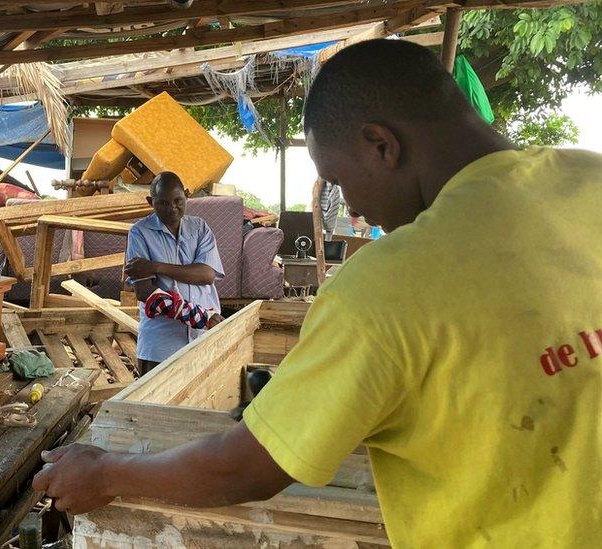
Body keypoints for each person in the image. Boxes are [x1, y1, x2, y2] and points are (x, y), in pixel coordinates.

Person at [32, 39, 602, 547]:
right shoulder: (591, 179)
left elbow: (248, 467)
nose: (350, 207)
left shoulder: (389, 284)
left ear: (382, 144)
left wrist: (105, 472)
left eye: (342, 180)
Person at [123, 171, 225, 375]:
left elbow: (206, 275)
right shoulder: (139, 232)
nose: (172, 208)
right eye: (163, 203)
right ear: (150, 201)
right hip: (161, 344)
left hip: (202, 337)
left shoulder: (199, 228)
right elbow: (145, 293)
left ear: (187, 195)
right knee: (154, 403)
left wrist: (155, 267)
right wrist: (201, 317)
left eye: (178, 201)